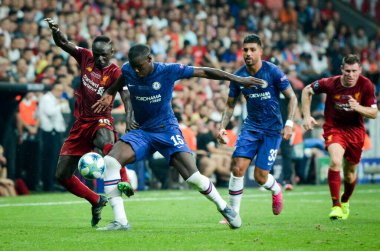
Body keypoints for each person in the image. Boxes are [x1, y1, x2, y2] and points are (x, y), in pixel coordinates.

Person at [92, 43, 266, 230]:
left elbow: (205, 72)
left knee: (193, 178)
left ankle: (224, 207)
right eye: (133, 66)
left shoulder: (168, 70)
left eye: (140, 66)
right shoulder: (128, 70)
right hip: (142, 131)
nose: (136, 70)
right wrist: (109, 93)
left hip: (167, 130)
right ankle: (121, 221)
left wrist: (238, 79)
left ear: (150, 60)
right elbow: (120, 82)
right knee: (110, 161)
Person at [44, 18, 133, 227]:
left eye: (105, 54)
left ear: (112, 52)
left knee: (108, 146)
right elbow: (63, 43)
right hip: (80, 123)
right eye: (97, 53)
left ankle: (125, 181)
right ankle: (96, 199)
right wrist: (56, 30)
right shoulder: (85, 57)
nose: (100, 58)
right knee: (62, 175)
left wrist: (129, 122)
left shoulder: (116, 72)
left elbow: (127, 98)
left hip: (101, 120)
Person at [217, 34, 298, 222]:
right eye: (245, 49)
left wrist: (289, 123)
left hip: (272, 130)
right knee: (238, 168)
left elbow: (292, 97)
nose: (248, 53)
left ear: (261, 51)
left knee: (261, 177)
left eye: (252, 49)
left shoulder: (273, 71)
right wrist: (222, 126)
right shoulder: (238, 76)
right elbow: (230, 105)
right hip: (251, 127)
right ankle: (233, 214)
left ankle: (276, 189)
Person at [301, 54, 377, 220]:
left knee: (350, 174)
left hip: (355, 131)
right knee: (335, 161)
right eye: (347, 71)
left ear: (360, 70)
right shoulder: (330, 83)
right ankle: (335, 205)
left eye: (354, 71)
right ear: (342, 69)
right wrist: (306, 116)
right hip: (334, 128)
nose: (350, 74)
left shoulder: (366, 85)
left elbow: (373, 113)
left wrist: (358, 107)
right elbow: (307, 90)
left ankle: (345, 200)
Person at [38, 83, 67, 191]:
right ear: (54, 89)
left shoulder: (55, 100)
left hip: (56, 132)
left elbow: (65, 112)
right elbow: (50, 112)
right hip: (49, 132)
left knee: (55, 159)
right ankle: (47, 184)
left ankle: (53, 182)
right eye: (59, 90)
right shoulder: (47, 99)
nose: (60, 93)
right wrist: (60, 105)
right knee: (49, 159)